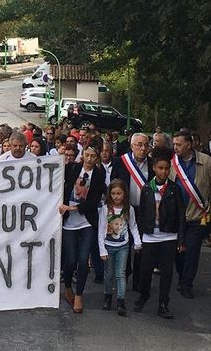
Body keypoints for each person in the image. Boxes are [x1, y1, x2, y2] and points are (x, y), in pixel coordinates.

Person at [135, 146, 186, 318]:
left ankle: (163, 303)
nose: (164, 172)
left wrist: (180, 240)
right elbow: (142, 213)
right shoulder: (147, 189)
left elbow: (181, 215)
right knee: (145, 270)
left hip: (168, 236)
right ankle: (144, 294)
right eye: (160, 168)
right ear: (154, 168)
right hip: (150, 236)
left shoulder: (174, 189)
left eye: (166, 168)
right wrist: (141, 235)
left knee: (167, 272)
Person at [170, 130, 211, 299]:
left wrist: (206, 201)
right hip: (177, 217)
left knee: (192, 251)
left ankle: (186, 284)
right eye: (174, 144)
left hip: (197, 216)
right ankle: (182, 276)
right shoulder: (172, 163)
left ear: (189, 144)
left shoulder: (205, 162)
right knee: (179, 252)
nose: (175, 147)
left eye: (179, 144)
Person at [59, 140, 106, 314]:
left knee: (83, 258)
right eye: (87, 155)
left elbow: (93, 202)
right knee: (70, 259)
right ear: (82, 154)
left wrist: (73, 208)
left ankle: (79, 294)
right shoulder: (72, 169)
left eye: (93, 156)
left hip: (86, 220)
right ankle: (69, 285)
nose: (89, 159)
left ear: (97, 157)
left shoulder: (99, 175)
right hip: (69, 222)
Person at [110, 132, 154, 291]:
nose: (143, 149)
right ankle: (123, 275)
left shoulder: (152, 164)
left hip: (144, 211)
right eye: (139, 145)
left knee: (141, 245)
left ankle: (138, 280)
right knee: (124, 244)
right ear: (132, 146)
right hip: (125, 210)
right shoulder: (121, 162)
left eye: (146, 145)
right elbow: (113, 185)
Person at [98, 179, 141, 316]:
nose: (116, 196)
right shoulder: (105, 209)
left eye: (119, 193)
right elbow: (101, 230)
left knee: (120, 274)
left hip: (123, 246)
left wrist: (137, 241)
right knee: (109, 274)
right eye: (113, 193)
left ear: (125, 194)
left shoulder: (129, 209)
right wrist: (102, 250)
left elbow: (133, 226)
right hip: (108, 246)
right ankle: (107, 296)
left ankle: (121, 301)